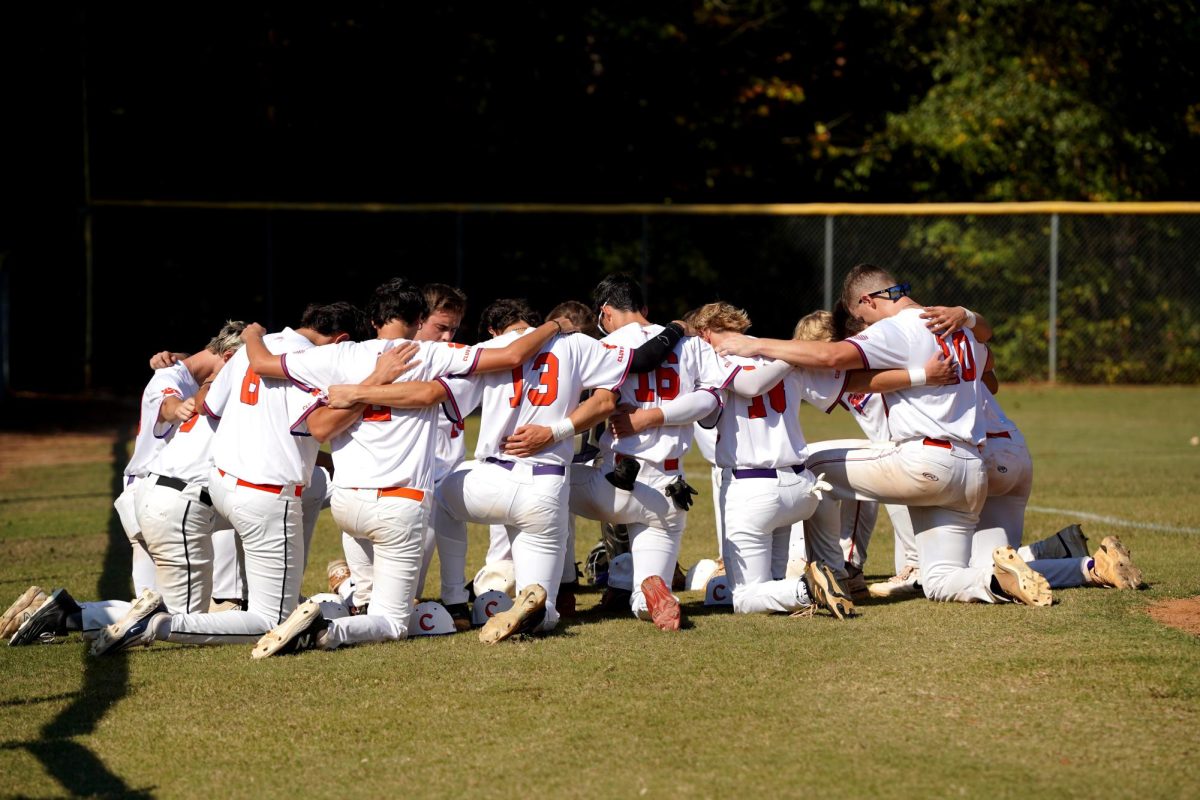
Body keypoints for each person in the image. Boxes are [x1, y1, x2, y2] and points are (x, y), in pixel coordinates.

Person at [246, 281, 580, 657]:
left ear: (372, 320)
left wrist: (252, 333)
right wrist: (554, 326)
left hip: (346, 503)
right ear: (420, 319)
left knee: (368, 599)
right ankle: (326, 627)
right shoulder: (431, 353)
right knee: (392, 622)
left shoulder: (338, 357)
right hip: (398, 506)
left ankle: (342, 600)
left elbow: (262, 366)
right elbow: (513, 355)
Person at [716, 264, 1052, 607]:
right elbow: (989, 370)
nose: (860, 326)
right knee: (938, 580)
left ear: (867, 300)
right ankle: (997, 580)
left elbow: (832, 356)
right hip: (971, 465)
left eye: (858, 315)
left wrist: (753, 344)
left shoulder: (896, 327)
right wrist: (964, 321)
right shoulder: (957, 328)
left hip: (928, 459)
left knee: (812, 467)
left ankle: (834, 576)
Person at [90, 302, 375, 655]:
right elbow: (318, 426)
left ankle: (91, 615)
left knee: (219, 600)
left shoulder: (247, 350)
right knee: (273, 621)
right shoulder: (318, 360)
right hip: (249, 492)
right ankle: (154, 623)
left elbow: (208, 403)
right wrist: (369, 390)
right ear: (342, 339)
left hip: (217, 487)